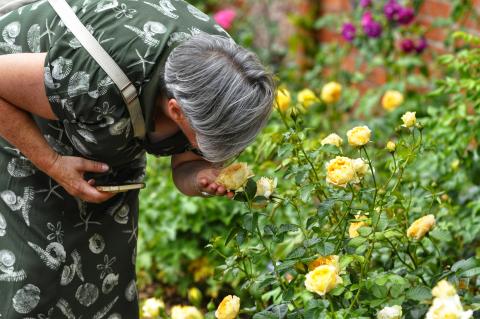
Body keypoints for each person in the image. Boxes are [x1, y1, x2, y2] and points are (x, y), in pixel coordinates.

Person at [0, 0, 275, 317]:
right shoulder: (93, 77)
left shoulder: (222, 80)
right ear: (175, 111)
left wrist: (200, 174)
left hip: (99, 130)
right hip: (20, 117)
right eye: (208, 142)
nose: (217, 153)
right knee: (32, 276)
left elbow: (185, 165)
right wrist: (52, 164)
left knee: (107, 276)